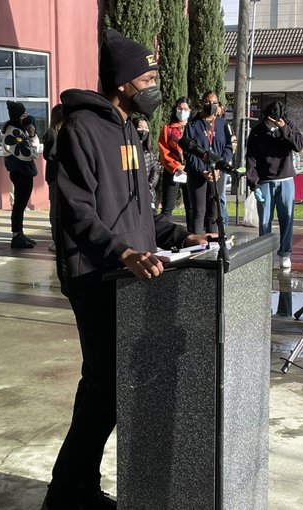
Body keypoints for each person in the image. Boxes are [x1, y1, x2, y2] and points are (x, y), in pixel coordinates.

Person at [43, 29, 208, 510]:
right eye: (149, 75)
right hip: (94, 276)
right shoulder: (79, 130)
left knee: (102, 388)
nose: (157, 83)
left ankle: (77, 488)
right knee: (107, 389)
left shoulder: (128, 130)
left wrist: (179, 236)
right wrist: (123, 254)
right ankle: (65, 494)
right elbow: (76, 212)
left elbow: (137, 214)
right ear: (123, 81)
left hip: (127, 276)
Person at [246, 101, 303, 269]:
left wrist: (284, 129)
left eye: (280, 119)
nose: (277, 122)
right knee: (264, 220)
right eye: (274, 119)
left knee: (287, 218)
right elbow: (251, 159)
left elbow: (298, 145)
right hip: (265, 181)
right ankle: (264, 253)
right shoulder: (257, 132)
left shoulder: (289, 125)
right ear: (267, 117)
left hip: (286, 180)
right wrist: (254, 184)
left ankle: (285, 253)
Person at [183, 91, 234, 234]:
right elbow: (188, 151)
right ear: (201, 103)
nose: (210, 105)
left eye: (214, 103)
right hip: (198, 173)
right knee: (199, 211)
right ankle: (196, 246)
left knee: (214, 211)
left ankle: (214, 245)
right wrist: (202, 170)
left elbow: (229, 147)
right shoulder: (192, 125)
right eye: (207, 101)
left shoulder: (223, 125)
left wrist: (218, 167)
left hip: (216, 173)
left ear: (218, 105)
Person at [1, 100, 41, 249]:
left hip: (22, 172)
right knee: (19, 205)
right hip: (20, 172)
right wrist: (32, 136)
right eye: (24, 114)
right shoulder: (14, 131)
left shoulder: (17, 128)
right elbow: (27, 154)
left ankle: (20, 233)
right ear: (18, 116)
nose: (27, 116)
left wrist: (31, 136)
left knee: (21, 204)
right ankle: (16, 236)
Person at [158, 97, 194, 230]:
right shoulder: (167, 129)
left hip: (191, 170)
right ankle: (161, 234)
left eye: (185, 109)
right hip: (172, 170)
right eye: (180, 108)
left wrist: (189, 165)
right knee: (168, 207)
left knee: (191, 207)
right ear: (175, 110)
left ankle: (192, 234)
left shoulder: (193, 127)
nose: (182, 111)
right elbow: (164, 150)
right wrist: (176, 165)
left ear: (190, 111)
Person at [42, 103, 64, 252]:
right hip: (66, 176)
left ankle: (57, 242)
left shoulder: (51, 133)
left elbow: (47, 155)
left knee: (55, 210)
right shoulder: (71, 131)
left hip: (55, 176)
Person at [133, 116, 161, 209]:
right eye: (140, 127)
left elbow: (156, 170)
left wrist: (149, 185)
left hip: (148, 195)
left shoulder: (150, 151)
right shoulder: (128, 150)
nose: (143, 130)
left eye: (146, 127)